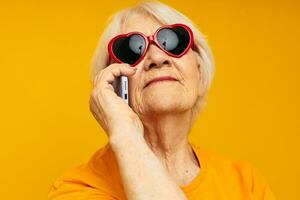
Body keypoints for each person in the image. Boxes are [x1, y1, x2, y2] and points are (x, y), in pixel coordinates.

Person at [48, 1, 276, 199]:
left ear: (198, 68)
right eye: (132, 49)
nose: (157, 57)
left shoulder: (246, 184)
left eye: (173, 41)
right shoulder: (79, 187)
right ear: (113, 84)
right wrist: (124, 132)